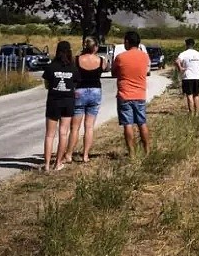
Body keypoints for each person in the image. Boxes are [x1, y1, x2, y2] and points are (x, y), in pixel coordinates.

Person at [63, 36, 104, 164]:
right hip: (95, 91)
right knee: (89, 126)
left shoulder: (76, 60)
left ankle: (68, 154)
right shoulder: (102, 61)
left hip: (80, 91)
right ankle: (85, 155)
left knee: (74, 127)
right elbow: (104, 70)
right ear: (95, 47)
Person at [112, 30, 151, 157]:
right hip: (140, 95)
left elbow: (114, 73)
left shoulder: (120, 57)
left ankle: (132, 153)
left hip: (124, 95)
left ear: (127, 42)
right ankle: (147, 150)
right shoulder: (145, 57)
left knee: (127, 124)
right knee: (142, 122)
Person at [40, 40, 77, 172]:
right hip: (68, 101)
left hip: (53, 101)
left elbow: (46, 85)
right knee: (63, 133)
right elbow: (75, 85)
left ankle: (47, 164)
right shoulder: (73, 68)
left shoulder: (50, 67)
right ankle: (58, 163)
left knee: (50, 134)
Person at [175, 38, 199, 116]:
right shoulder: (198, 54)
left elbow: (177, 61)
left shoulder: (183, 53)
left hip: (187, 77)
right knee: (196, 95)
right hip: (197, 77)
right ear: (193, 45)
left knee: (189, 95)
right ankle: (197, 114)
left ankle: (191, 114)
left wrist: (180, 68)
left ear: (186, 45)